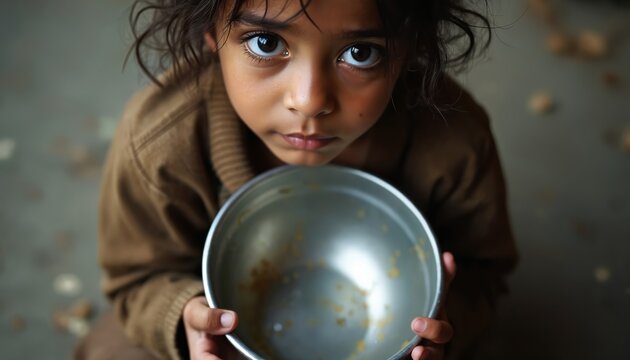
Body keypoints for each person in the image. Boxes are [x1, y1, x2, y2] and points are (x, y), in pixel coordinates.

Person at [74, 0, 518, 359]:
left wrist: (446, 325)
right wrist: (183, 318)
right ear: (210, 31)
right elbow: (137, 278)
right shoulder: (162, 144)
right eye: (266, 42)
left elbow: (484, 273)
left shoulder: (455, 142)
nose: (309, 101)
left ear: (409, 51)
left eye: (360, 53)